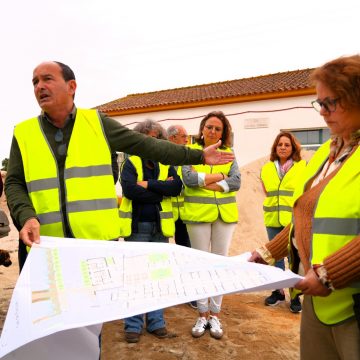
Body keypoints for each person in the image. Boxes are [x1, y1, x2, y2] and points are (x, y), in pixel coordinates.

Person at [4, 61, 235, 271]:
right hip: (44, 247)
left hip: (95, 248)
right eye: (35, 82)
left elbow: (148, 145)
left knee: (92, 315)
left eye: (47, 79)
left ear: (71, 86)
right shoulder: (24, 133)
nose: (39, 86)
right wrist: (26, 217)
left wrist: (197, 157)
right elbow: (14, 182)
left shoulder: (97, 123)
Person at [249, 54, 360, 360]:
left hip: (351, 304)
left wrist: (328, 275)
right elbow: (308, 217)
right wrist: (268, 252)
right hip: (318, 299)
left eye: (330, 103)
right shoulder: (327, 150)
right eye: (319, 103)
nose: (322, 112)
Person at [120, 120, 182, 343]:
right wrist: (159, 189)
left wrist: (146, 184)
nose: (153, 141)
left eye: (157, 138)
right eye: (149, 137)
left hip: (160, 230)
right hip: (137, 229)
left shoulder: (166, 162)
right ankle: (133, 325)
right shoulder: (131, 162)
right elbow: (129, 190)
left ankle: (156, 323)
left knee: (159, 277)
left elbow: (176, 187)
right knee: (135, 278)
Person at [182, 111, 241, 339]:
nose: (213, 131)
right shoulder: (191, 153)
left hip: (224, 216)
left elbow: (236, 181)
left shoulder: (229, 153)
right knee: (199, 264)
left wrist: (207, 180)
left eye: (218, 128)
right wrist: (220, 176)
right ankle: (202, 313)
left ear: (223, 132)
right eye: (209, 127)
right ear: (202, 129)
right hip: (197, 215)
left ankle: (215, 314)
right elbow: (187, 178)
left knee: (220, 265)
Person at [260, 132, 306, 312]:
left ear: (293, 148)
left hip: (293, 220)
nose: (283, 147)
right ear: (275, 147)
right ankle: (278, 292)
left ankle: (295, 296)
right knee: (274, 256)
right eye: (280, 144)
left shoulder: (303, 167)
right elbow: (266, 191)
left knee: (293, 258)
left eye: (287, 145)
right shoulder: (267, 168)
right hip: (272, 218)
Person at [167, 124, 197, 310]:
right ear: (173, 138)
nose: (187, 139)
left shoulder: (189, 156)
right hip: (167, 214)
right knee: (165, 254)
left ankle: (190, 291)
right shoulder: (163, 157)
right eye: (184, 136)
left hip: (185, 213)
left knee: (187, 252)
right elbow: (164, 183)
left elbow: (193, 180)